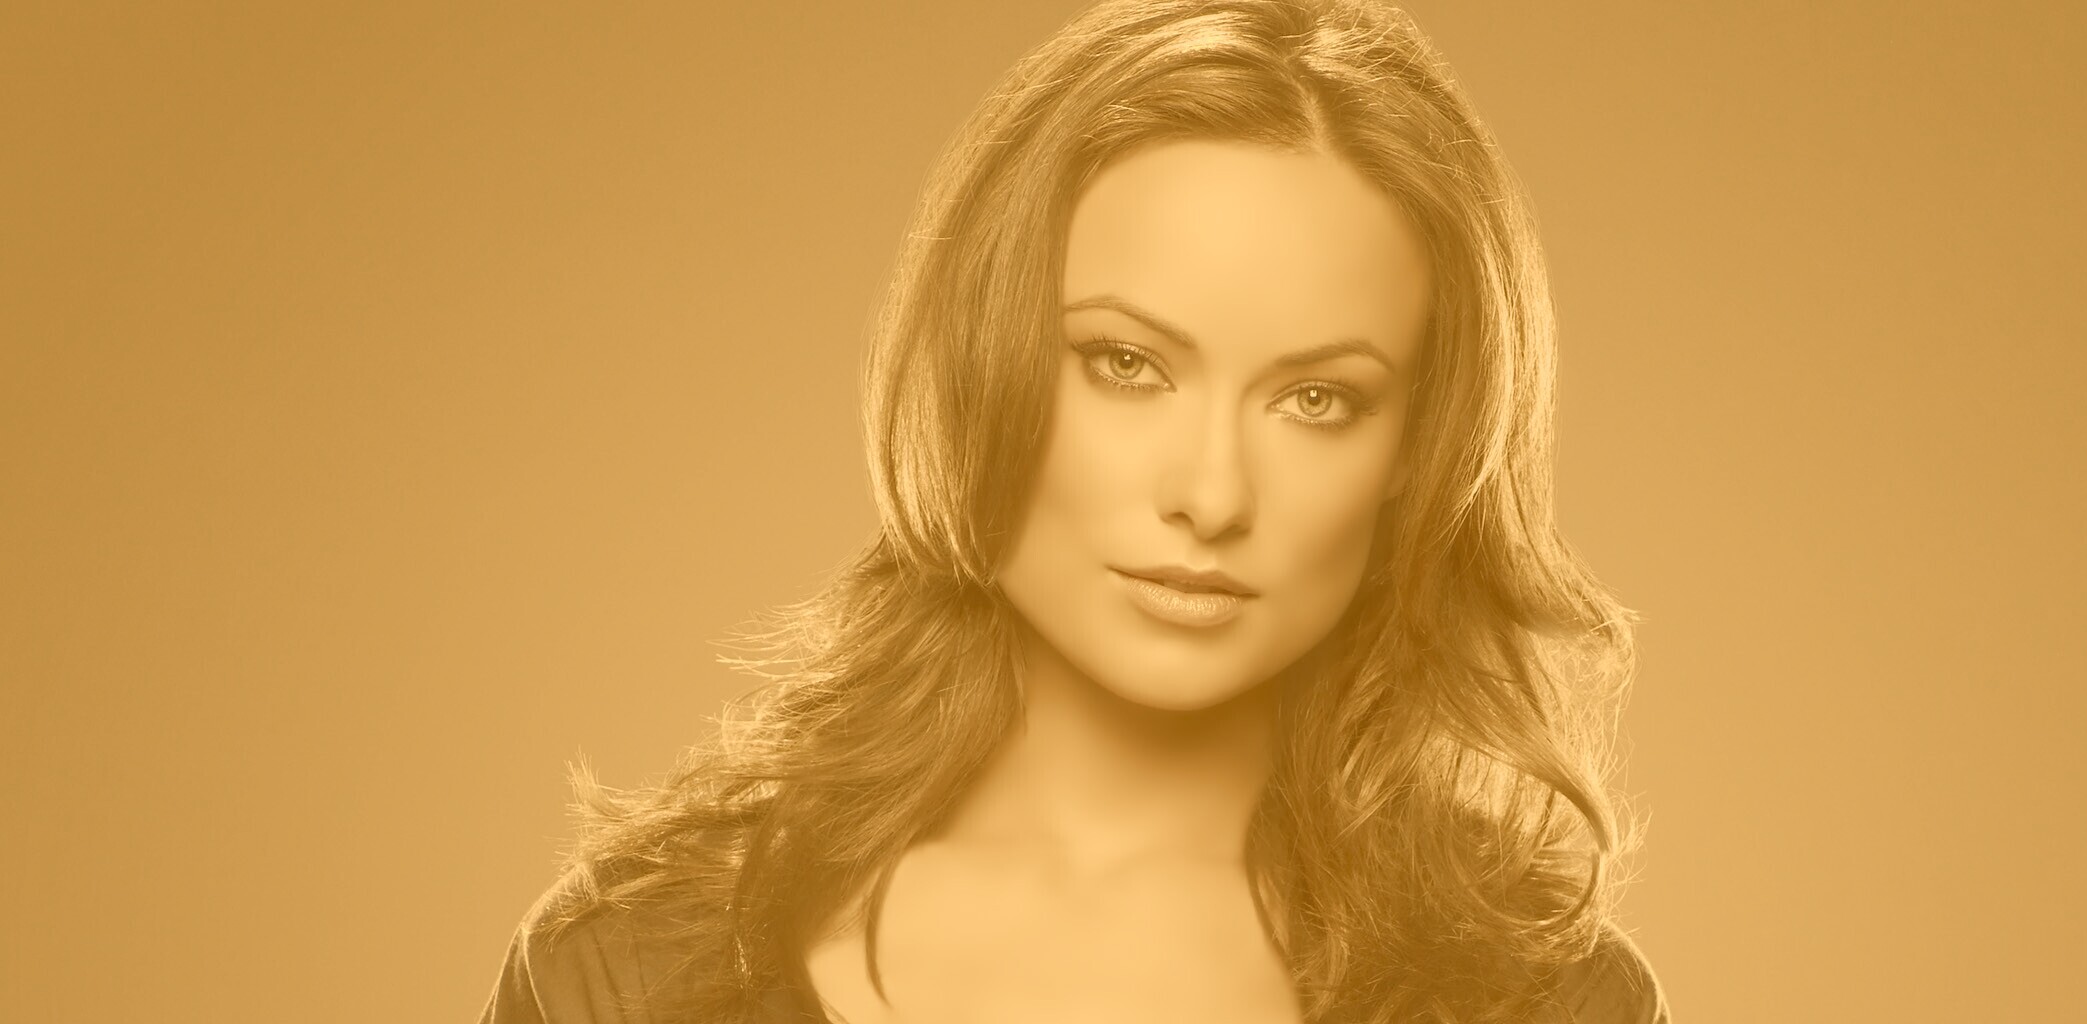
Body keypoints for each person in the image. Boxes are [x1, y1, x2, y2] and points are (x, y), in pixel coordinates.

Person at [480, 1, 1666, 1021]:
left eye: (1317, 399)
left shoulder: (1539, 998)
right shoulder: (633, 969)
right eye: (1125, 364)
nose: (1211, 495)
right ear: (980, 364)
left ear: (1417, 448)